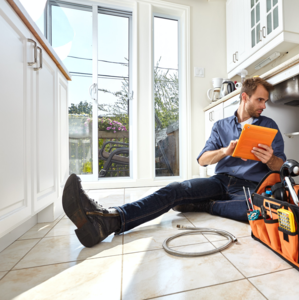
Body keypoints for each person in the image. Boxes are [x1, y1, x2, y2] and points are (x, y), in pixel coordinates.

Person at [62, 77, 286, 247]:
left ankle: (204, 205)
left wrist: (271, 159)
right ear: (244, 97)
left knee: (260, 208)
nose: (263, 106)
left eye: (265, 101)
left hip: (249, 186)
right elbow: (203, 160)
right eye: (260, 100)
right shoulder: (220, 126)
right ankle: (108, 221)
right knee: (175, 189)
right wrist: (225, 151)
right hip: (220, 181)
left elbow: (280, 167)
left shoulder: (269, 125)